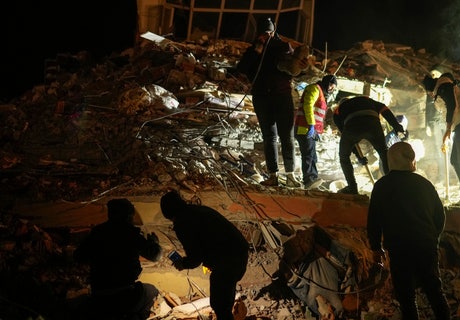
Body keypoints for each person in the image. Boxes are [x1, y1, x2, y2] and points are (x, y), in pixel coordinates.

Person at [367, 141, 451, 320]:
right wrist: (433, 238)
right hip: (425, 246)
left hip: (399, 249)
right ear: (411, 160)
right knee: (435, 292)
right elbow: (440, 216)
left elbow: (374, 220)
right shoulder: (424, 184)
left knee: (406, 298)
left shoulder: (381, 186)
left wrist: (375, 247)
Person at [160, 190, 249, 320]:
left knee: (220, 304)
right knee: (223, 300)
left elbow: (196, 258)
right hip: (238, 252)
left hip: (228, 259)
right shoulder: (196, 210)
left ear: (168, 214)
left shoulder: (183, 223)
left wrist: (183, 263)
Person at [236, 17, 302, 188]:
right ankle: (273, 175)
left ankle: (290, 175)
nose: (265, 36)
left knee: (287, 136)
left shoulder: (282, 46)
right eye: (263, 33)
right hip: (261, 96)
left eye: (268, 33)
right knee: (269, 137)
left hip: (281, 96)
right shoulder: (254, 48)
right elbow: (241, 69)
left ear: (273, 32)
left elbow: (292, 68)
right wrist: (256, 50)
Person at [74, 198, 162, 319]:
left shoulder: (97, 232)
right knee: (152, 291)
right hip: (124, 296)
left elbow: (78, 256)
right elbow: (156, 256)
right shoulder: (130, 233)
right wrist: (155, 243)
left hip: (99, 296)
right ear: (127, 216)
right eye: (131, 216)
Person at [423, 73, 460, 206]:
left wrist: (448, 130)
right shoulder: (444, 88)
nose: (429, 95)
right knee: (455, 160)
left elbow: (452, 105)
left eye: (428, 92)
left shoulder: (444, 87)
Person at [332, 95, 406, 194]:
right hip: (373, 125)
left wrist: (359, 157)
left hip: (353, 126)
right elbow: (384, 108)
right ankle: (391, 186)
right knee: (384, 153)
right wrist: (395, 125)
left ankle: (352, 188)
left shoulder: (338, 110)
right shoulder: (365, 99)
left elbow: (346, 134)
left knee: (344, 157)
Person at [294, 74, 338, 189]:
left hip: (311, 130)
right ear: (328, 84)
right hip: (304, 128)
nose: (332, 89)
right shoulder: (314, 89)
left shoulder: (322, 94)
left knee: (312, 155)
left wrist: (317, 131)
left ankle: (313, 179)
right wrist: (311, 125)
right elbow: (308, 105)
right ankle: (309, 180)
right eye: (332, 86)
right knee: (308, 155)